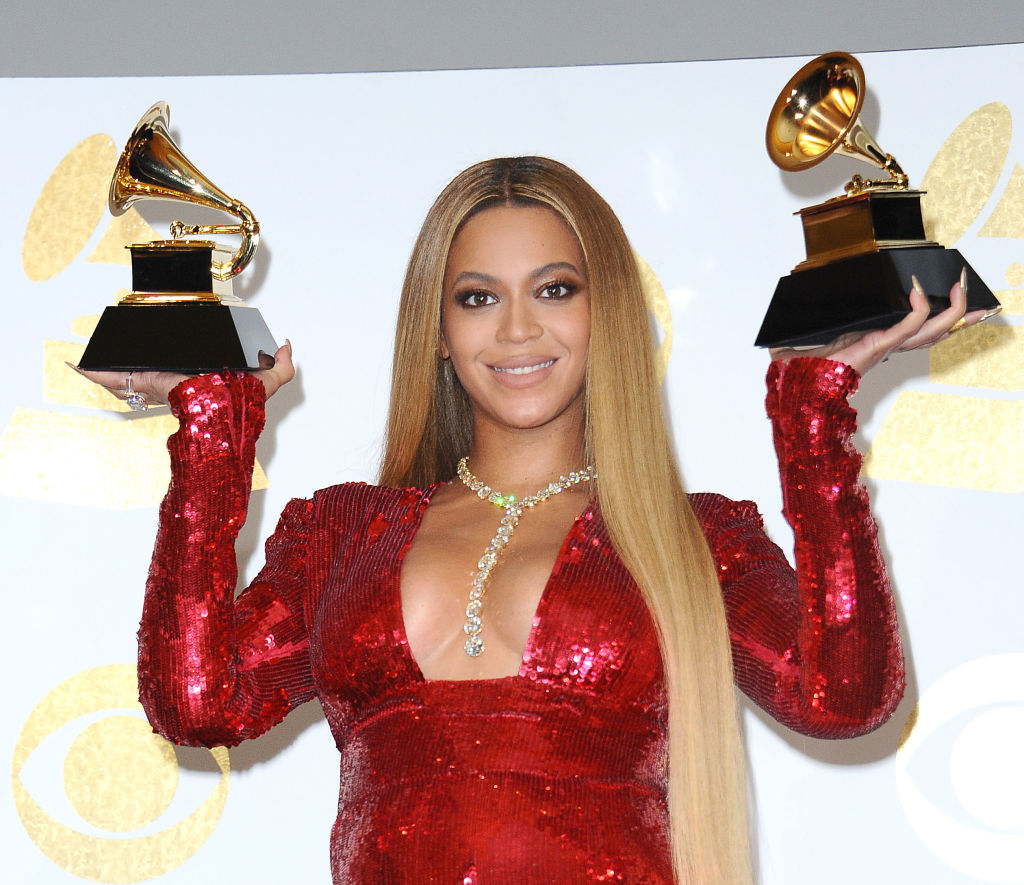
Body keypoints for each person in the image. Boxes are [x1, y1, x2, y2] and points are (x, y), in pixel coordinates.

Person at [80, 156, 985, 884]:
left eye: (555, 289)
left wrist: (814, 412)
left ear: (608, 314)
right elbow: (197, 701)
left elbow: (846, 696)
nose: (517, 330)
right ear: (436, 328)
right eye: (478, 297)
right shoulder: (343, 534)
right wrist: (210, 436)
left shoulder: (693, 541)